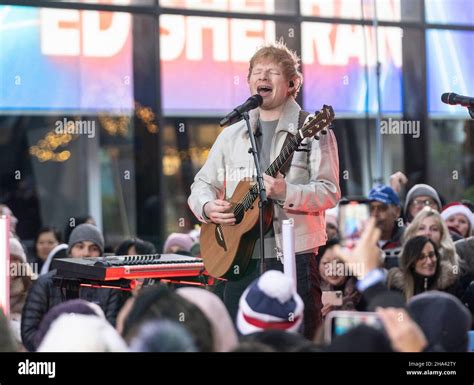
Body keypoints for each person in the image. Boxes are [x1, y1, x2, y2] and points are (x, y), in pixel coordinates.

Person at [188, 41, 341, 338]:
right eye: (257, 72)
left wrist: (287, 192)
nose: (262, 78)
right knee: (234, 339)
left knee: (297, 339)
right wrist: (207, 207)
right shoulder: (232, 134)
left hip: (292, 258)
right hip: (235, 259)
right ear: (248, 82)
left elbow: (330, 191)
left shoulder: (312, 128)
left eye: (272, 72)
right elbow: (202, 184)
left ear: (292, 83)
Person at [21, 224, 124, 351]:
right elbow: (29, 331)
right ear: (70, 251)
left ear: (101, 254)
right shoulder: (45, 283)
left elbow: (111, 330)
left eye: (93, 248)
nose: (86, 253)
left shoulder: (110, 287)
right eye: (80, 247)